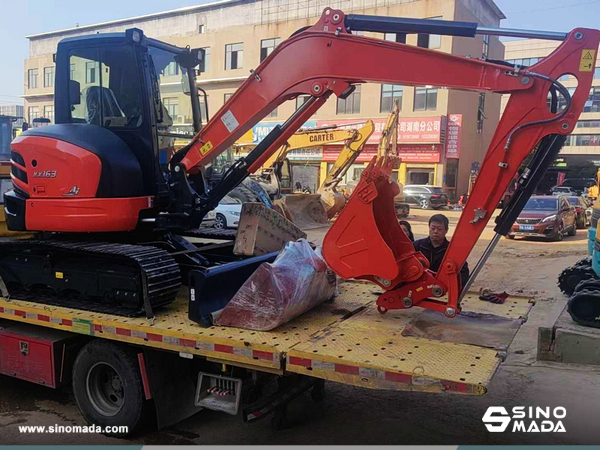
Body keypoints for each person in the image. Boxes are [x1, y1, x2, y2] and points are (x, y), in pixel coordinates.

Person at [413, 214, 470, 289]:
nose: (435, 231)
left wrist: (454, 287)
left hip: (442, 290)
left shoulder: (451, 250)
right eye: (433, 228)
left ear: (446, 230)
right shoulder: (418, 245)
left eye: (439, 229)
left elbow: (463, 273)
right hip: (418, 288)